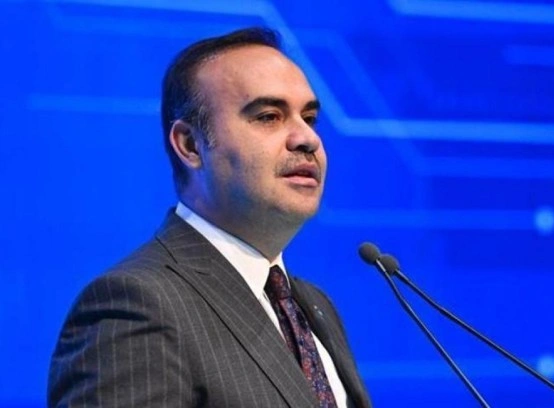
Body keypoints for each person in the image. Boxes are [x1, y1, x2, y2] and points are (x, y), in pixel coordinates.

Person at [48, 27, 371, 408]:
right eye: (269, 116)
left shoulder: (315, 306)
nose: (308, 139)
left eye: (310, 118)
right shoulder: (136, 305)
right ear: (191, 145)